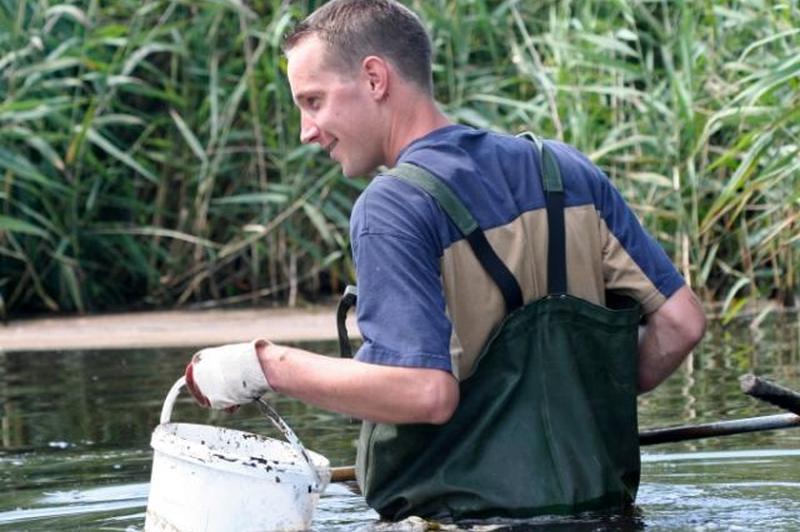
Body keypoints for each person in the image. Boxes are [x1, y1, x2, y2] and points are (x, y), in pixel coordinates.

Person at [184, 0, 706, 522]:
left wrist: (263, 366)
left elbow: (424, 393)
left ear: (373, 78)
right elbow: (682, 323)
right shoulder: (567, 171)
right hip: (605, 513)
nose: (307, 130)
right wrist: (584, 407)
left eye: (314, 101)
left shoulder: (391, 206)